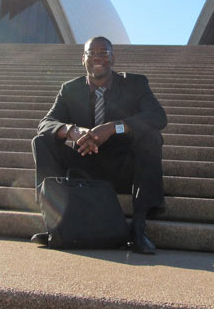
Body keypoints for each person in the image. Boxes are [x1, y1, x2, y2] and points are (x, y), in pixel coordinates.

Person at [31, 36, 167, 254]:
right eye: (91, 52)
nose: (97, 57)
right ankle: (55, 225)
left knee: (151, 137)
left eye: (103, 52)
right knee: (42, 141)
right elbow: (46, 123)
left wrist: (114, 127)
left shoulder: (135, 83)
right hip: (83, 165)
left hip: (122, 167)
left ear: (113, 57)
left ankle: (139, 227)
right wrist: (73, 131)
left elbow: (158, 117)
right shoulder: (69, 89)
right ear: (82, 59)